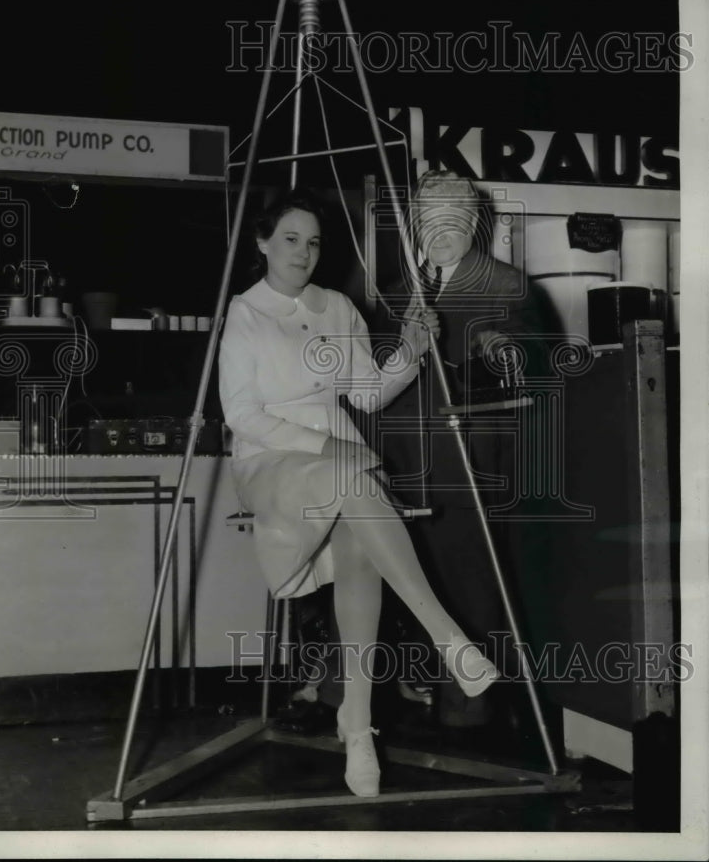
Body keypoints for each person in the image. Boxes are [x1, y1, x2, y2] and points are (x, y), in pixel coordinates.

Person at [218, 188, 499, 798]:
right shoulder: (245, 313)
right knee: (353, 477)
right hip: (271, 462)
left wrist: (412, 352)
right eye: (289, 239)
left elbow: (367, 392)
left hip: (339, 464)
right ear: (263, 243)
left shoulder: (337, 307)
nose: (303, 252)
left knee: (360, 551)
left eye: (313, 242)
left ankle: (359, 727)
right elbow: (242, 414)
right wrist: (331, 449)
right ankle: (447, 637)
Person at [376, 171, 544, 734]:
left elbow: (530, 359)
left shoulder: (506, 284)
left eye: (451, 217)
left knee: (470, 581)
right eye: (427, 219)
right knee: (412, 578)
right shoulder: (399, 289)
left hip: (467, 462)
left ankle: (471, 716)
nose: (438, 230)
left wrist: (498, 348)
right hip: (401, 460)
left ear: (473, 222)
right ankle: (416, 689)